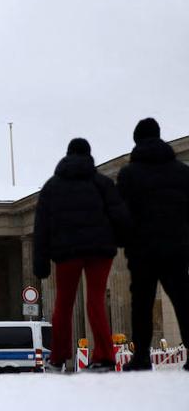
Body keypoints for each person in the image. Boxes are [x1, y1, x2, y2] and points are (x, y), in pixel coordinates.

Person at [33, 138, 132, 373]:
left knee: (64, 304)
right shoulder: (102, 183)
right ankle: (105, 357)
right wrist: (119, 241)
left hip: (66, 252)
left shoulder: (52, 187)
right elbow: (121, 217)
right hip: (100, 251)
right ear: (89, 156)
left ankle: (58, 358)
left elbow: (42, 227)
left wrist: (41, 261)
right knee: (96, 301)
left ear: (67, 156)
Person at [116, 119, 189, 372]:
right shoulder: (181, 172)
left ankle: (141, 358)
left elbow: (121, 214)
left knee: (142, 304)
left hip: (142, 249)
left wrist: (124, 241)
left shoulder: (128, 174)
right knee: (183, 299)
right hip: (177, 247)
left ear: (136, 140)